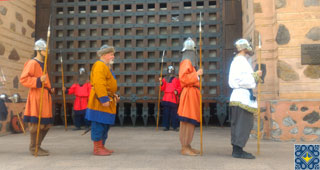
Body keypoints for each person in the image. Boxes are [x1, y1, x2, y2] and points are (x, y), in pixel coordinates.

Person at [228, 39, 262, 159]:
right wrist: (255, 76)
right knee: (243, 124)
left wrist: (254, 76)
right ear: (243, 48)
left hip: (240, 96)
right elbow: (238, 79)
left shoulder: (239, 60)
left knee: (239, 124)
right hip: (241, 96)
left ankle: (237, 149)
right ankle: (238, 150)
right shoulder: (240, 61)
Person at [20, 39, 54, 156]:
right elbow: (24, 79)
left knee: (46, 124)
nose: (47, 52)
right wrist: (38, 80)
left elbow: (46, 81)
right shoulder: (32, 63)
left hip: (45, 96)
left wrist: (50, 88)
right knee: (37, 124)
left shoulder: (43, 64)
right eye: (45, 50)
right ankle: (33, 148)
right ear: (39, 50)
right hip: (37, 95)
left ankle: (38, 146)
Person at [85, 45, 120, 156]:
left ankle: (102, 146)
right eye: (111, 54)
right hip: (99, 102)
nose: (113, 56)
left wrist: (114, 95)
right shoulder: (99, 65)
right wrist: (104, 98)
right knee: (99, 124)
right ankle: (97, 148)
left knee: (105, 124)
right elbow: (99, 83)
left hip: (107, 99)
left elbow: (109, 84)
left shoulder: (106, 66)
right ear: (104, 55)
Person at [178, 37, 203, 156]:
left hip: (192, 94)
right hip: (188, 94)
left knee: (190, 121)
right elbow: (183, 79)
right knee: (187, 121)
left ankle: (188, 145)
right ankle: (184, 147)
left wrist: (195, 73)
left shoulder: (190, 64)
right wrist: (196, 74)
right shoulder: (186, 62)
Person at [159, 65, 182, 131]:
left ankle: (175, 126)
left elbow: (179, 87)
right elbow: (162, 88)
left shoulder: (177, 79)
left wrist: (177, 91)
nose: (170, 72)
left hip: (173, 98)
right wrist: (161, 84)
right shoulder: (164, 79)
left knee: (174, 113)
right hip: (166, 97)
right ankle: (166, 126)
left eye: (171, 70)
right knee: (166, 113)